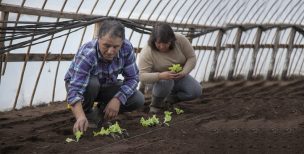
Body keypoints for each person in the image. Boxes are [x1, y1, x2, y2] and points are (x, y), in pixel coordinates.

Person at [64, 20, 144, 133]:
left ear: (122, 43)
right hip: (83, 86)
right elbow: (75, 89)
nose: (111, 51)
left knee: (138, 99)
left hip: (107, 84)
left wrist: (117, 99)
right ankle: (85, 114)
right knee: (92, 83)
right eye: (106, 45)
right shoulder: (88, 53)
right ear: (98, 39)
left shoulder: (126, 48)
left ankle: (98, 114)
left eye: (116, 47)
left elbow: (133, 78)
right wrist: (80, 116)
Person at [138, 23, 202, 113]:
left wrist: (184, 72)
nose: (162, 46)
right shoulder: (147, 52)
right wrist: (160, 76)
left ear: (172, 40)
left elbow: (191, 57)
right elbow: (142, 76)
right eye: (159, 43)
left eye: (166, 43)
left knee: (195, 91)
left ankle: (169, 100)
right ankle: (156, 105)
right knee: (166, 81)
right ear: (153, 41)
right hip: (158, 81)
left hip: (178, 76)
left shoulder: (180, 40)